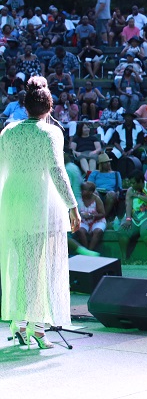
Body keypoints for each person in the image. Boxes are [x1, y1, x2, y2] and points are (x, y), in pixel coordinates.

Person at [0, 75, 81, 350]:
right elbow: (58, 172)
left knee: (21, 264)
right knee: (36, 267)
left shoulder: (8, 131)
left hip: (13, 202)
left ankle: (21, 324)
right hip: (37, 203)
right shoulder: (51, 132)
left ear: (25, 107)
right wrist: (72, 205)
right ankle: (35, 326)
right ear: (50, 108)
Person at [117, 170, 147, 260]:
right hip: (133, 217)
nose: (131, 185)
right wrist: (128, 219)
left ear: (140, 182)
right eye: (130, 183)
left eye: (133, 183)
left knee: (146, 232)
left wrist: (139, 196)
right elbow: (128, 205)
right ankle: (124, 258)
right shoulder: (130, 190)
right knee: (122, 231)